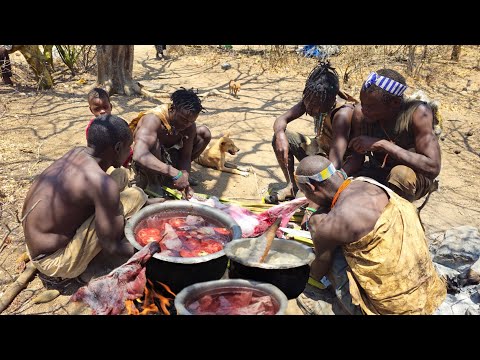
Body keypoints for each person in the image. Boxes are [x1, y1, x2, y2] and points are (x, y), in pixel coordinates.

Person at [294, 155, 446, 315]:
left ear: (312, 188)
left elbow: (318, 270)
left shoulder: (329, 225)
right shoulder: (367, 184)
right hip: (429, 292)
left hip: (392, 310)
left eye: (304, 192)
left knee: (326, 246)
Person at [22, 115, 155, 285]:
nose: (130, 151)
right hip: (54, 261)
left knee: (120, 175)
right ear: (117, 147)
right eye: (128, 147)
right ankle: (87, 268)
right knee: (134, 196)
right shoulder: (101, 184)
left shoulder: (77, 152)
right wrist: (154, 250)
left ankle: (115, 216)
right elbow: (112, 246)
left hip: (37, 241)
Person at [344, 69, 441, 202]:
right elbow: (356, 157)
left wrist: (383, 145)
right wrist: (340, 175)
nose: (364, 109)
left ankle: (401, 217)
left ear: (394, 103)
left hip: (413, 177)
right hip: (377, 171)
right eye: (363, 103)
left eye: (371, 106)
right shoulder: (362, 115)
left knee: (400, 174)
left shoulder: (418, 114)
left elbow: (432, 167)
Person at [271, 61, 357, 202]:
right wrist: (280, 135)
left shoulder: (342, 113)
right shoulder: (315, 97)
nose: (309, 108)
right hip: (320, 149)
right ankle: (292, 186)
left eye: (315, 105)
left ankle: (308, 194)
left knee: (306, 200)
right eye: (307, 101)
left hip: (339, 162)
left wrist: (311, 187)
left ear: (329, 101)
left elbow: (334, 163)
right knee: (281, 136)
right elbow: (282, 119)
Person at [130, 87, 211, 198]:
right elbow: (139, 155)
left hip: (169, 157)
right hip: (148, 161)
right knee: (154, 143)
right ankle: (153, 183)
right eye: (183, 119)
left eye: (190, 121)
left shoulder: (189, 125)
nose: (186, 125)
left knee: (204, 133)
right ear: (172, 109)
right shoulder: (153, 120)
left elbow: (186, 156)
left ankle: (174, 178)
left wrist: (184, 175)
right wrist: (174, 173)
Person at [85, 88, 132, 168]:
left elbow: (126, 145)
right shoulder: (92, 129)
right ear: (91, 110)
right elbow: (92, 149)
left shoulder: (118, 124)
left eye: (105, 107)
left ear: (110, 106)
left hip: (123, 158)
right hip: (106, 163)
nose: (102, 111)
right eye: (97, 109)